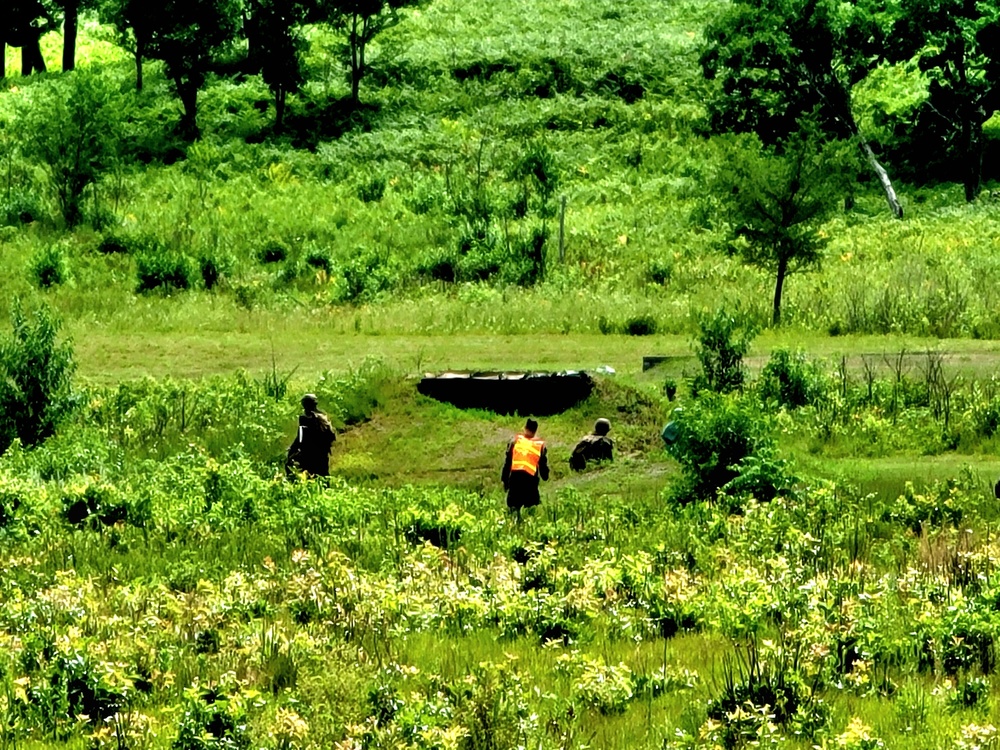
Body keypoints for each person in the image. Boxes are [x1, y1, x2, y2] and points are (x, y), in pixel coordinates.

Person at [501, 418, 549, 517]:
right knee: (531, 509)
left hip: (515, 479)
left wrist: (505, 479)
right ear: (535, 431)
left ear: (525, 428)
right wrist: (545, 476)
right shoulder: (539, 445)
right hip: (530, 481)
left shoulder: (515, 441)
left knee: (513, 508)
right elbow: (543, 467)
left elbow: (508, 462)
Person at [286, 393, 336, 478]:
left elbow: (300, 438)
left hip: (308, 454)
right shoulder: (323, 417)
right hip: (322, 454)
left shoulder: (305, 419)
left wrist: (291, 450)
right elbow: (332, 436)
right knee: (324, 476)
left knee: (290, 466)